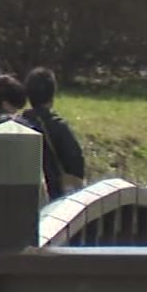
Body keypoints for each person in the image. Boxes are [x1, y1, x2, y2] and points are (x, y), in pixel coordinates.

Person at [19, 67, 87, 196]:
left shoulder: (17, 126)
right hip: (53, 197)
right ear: (52, 95)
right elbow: (76, 165)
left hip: (22, 198)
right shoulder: (59, 127)